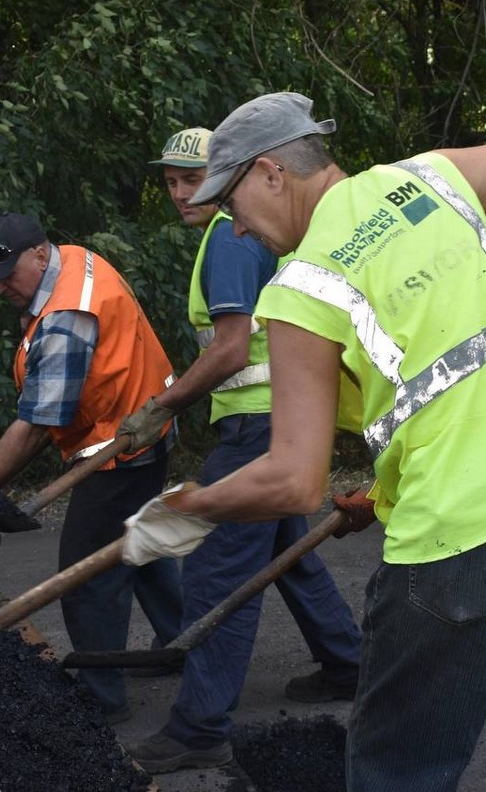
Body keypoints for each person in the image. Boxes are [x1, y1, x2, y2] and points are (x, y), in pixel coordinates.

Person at [120, 92, 486, 791]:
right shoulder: (424, 178)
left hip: (462, 540)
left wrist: (190, 511)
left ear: (271, 173)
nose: (235, 229)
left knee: (399, 768)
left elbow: (293, 482)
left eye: (232, 203)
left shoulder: (302, 286)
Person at [116, 127, 363, 773]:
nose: (179, 193)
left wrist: (163, 406)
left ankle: (199, 726)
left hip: (259, 430)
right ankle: (348, 663)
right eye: (169, 180)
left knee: (216, 570)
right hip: (281, 419)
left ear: (231, 177)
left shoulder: (230, 239)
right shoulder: (247, 234)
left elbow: (229, 351)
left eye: (191, 179)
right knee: (288, 552)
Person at [0, 211, 183, 724]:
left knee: (87, 574)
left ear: (40, 254)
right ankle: (179, 643)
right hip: (150, 425)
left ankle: (101, 695)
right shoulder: (77, 261)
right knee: (141, 542)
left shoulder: (67, 315)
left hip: (120, 449)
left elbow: (40, 421)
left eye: (7, 276)